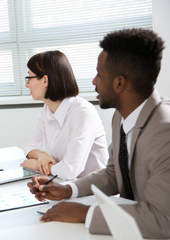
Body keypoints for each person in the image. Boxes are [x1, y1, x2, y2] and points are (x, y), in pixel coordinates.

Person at [27, 28, 170, 239]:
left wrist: (85, 213)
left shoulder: (164, 132)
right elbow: (113, 173)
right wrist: (67, 190)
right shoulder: (121, 116)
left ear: (119, 82)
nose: (94, 81)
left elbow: (162, 220)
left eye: (99, 74)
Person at [21, 50, 109, 180]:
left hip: (94, 191)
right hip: (67, 185)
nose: (26, 84)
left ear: (45, 80)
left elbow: (70, 170)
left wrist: (38, 166)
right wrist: (41, 156)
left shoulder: (83, 112)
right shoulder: (47, 109)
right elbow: (30, 147)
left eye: (29, 77)